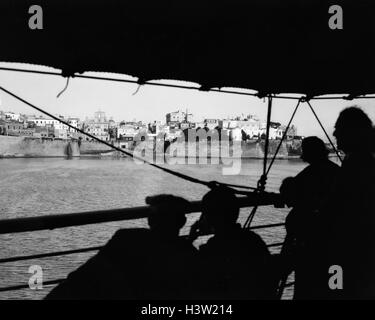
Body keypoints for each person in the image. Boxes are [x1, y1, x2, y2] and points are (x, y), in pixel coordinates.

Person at [46, 194, 198, 300]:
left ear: (150, 220)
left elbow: (84, 276)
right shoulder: (189, 254)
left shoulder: (127, 238)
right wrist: (190, 240)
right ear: (181, 223)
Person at [311, 106, 375, 299]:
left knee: (337, 290)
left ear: (352, 132)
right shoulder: (362, 162)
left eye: (339, 128)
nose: (334, 133)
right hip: (359, 254)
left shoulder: (356, 166)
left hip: (346, 253)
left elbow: (337, 207)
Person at [278, 136, 340, 299]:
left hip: (308, 243)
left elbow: (292, 194)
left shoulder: (309, 174)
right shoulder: (335, 171)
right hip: (333, 244)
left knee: (305, 287)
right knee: (333, 288)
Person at [190, 186, 277, 299]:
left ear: (210, 217)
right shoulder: (253, 239)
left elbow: (196, 278)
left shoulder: (212, 249)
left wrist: (190, 239)